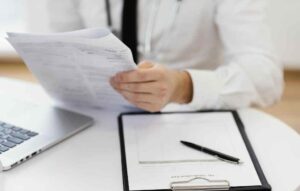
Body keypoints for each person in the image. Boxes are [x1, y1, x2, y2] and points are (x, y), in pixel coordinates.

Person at [47, 0, 283, 112]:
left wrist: (183, 86)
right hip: (99, 115)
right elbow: (63, 46)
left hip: (189, 118)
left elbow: (267, 77)